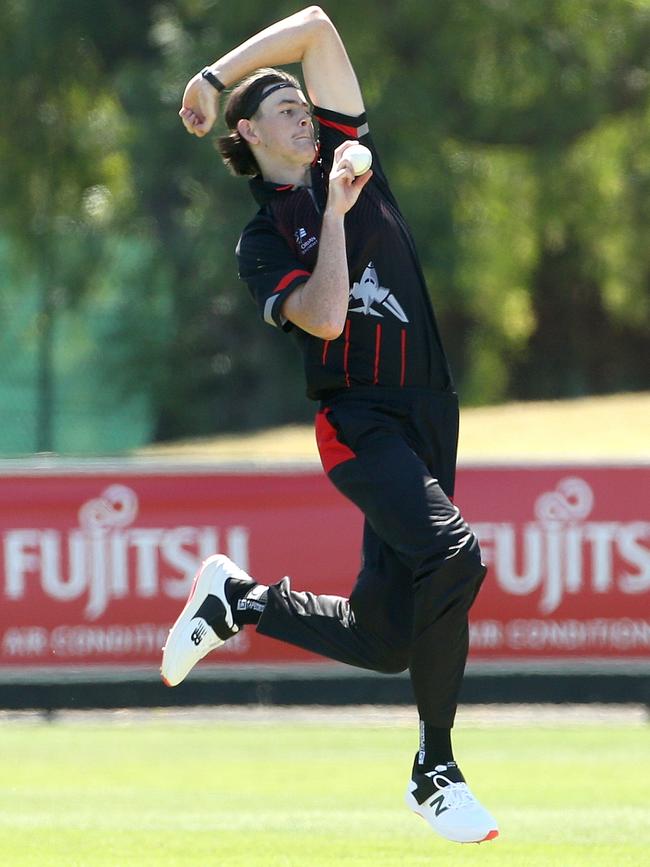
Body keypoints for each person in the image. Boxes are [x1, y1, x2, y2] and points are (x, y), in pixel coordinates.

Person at [161, 6, 498, 845]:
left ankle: (238, 600)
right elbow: (322, 317)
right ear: (250, 133)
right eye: (287, 111)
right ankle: (436, 767)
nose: (306, 117)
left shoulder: (349, 152)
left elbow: (313, 25)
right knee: (454, 553)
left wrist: (212, 74)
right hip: (358, 422)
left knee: (387, 639)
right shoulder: (262, 237)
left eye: (308, 109)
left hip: (429, 410)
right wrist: (339, 212)